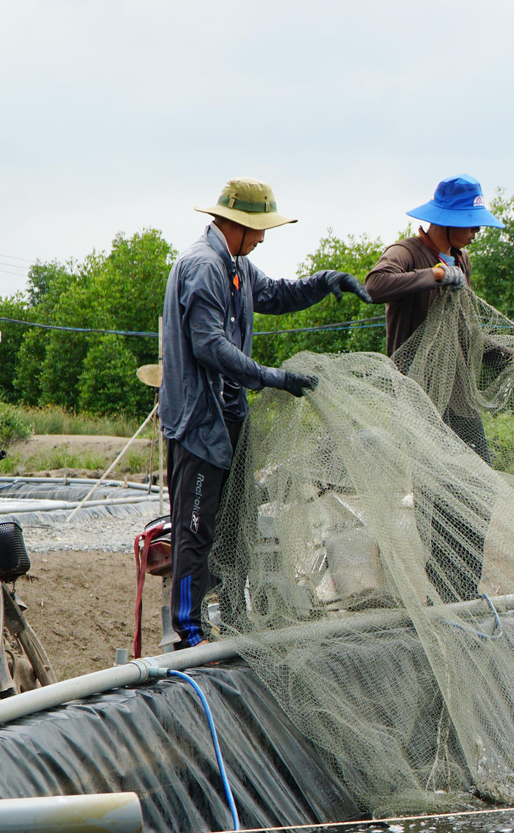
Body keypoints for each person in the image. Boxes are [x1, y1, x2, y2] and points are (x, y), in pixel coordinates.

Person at [159, 177, 373, 648]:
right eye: (258, 229)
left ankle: (235, 619)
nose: (262, 238)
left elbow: (275, 294)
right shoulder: (203, 266)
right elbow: (208, 344)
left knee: (239, 525)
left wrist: (324, 283)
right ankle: (189, 633)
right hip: (200, 424)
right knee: (197, 530)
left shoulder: (236, 265)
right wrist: (273, 377)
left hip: (232, 419)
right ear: (234, 223)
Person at [364, 173, 514, 464]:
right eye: (470, 222)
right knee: (433, 481)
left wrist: (511, 357)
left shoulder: (461, 260)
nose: (476, 231)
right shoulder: (405, 252)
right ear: (447, 220)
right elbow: (374, 286)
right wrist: (434, 275)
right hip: (418, 390)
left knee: (478, 474)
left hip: (457, 390)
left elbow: (465, 332)